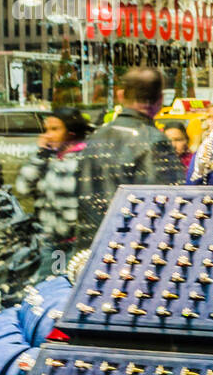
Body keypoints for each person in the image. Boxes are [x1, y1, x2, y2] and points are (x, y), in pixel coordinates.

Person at [75, 68, 184, 247]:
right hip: (132, 250)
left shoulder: (97, 136)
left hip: (93, 246)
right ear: (160, 101)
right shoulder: (154, 141)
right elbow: (167, 205)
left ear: (120, 95)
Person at [14, 106, 90, 264]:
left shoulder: (85, 158)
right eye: (46, 129)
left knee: (69, 284)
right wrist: (40, 155)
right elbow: (23, 187)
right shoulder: (49, 158)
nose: (48, 135)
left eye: (55, 129)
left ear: (71, 131)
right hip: (53, 241)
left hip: (77, 243)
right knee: (52, 283)